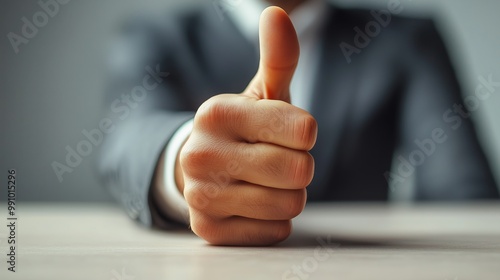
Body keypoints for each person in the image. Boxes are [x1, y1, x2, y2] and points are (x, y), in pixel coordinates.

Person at [97, 0, 499, 246]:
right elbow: (126, 140)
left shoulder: (407, 37)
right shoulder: (156, 35)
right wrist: (186, 159)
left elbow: (462, 191)